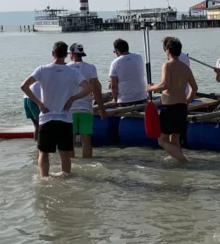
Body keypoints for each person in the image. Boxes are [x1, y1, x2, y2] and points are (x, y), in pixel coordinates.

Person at [20, 41, 92, 177]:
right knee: (65, 154)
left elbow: (24, 86)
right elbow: (88, 88)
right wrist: (72, 99)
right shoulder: (73, 72)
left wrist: (39, 103)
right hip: (65, 119)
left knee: (44, 153)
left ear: (52, 53)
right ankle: (65, 180)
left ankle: (44, 180)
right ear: (66, 55)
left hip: (47, 118)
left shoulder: (42, 69)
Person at [147, 38, 197, 163]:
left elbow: (165, 84)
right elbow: (194, 88)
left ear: (168, 50)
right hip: (181, 106)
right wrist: (187, 100)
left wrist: (151, 87)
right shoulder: (185, 67)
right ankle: (179, 163)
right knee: (175, 139)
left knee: (162, 140)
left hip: (169, 108)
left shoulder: (167, 65)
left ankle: (183, 161)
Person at [67, 43, 107, 158]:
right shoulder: (91, 67)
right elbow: (96, 90)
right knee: (86, 143)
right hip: (86, 109)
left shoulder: (67, 68)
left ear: (72, 54)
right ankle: (87, 163)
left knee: (70, 143)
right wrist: (101, 110)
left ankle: (70, 167)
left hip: (70, 110)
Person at [109, 38, 147, 105]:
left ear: (117, 50)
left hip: (125, 101)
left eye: (114, 52)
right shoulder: (139, 57)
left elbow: (113, 86)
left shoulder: (115, 62)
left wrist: (115, 99)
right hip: (142, 98)